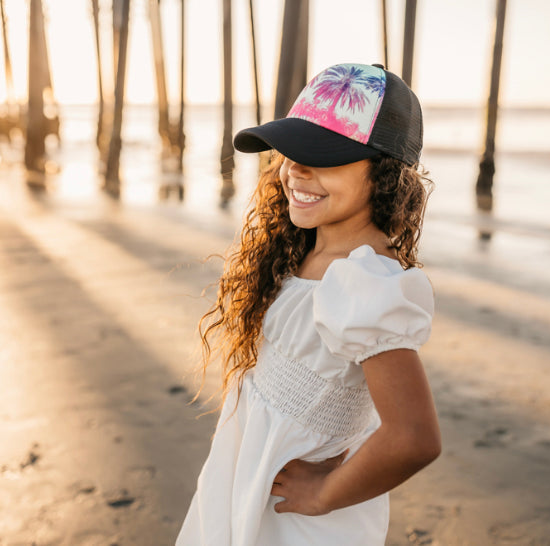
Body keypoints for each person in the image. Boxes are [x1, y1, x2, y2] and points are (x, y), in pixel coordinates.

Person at [177, 62, 440, 545]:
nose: (296, 168)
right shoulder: (304, 253)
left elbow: (414, 438)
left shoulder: (364, 284)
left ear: (383, 173)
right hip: (247, 485)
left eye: (324, 155)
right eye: (292, 150)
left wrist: (324, 494)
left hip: (298, 522)